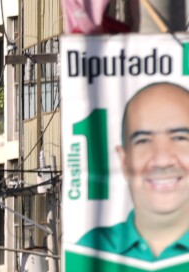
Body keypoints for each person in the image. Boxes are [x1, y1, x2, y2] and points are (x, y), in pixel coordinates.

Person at [78, 82, 189, 261]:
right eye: (144, 141)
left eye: (179, 138)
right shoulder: (92, 251)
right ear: (124, 160)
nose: (161, 160)